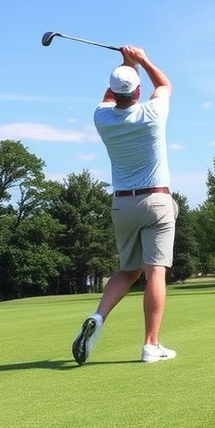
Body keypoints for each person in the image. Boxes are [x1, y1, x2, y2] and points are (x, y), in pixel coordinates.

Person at [71, 45, 178, 365]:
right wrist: (141, 59)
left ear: (115, 92)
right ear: (138, 90)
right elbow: (165, 85)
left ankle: (100, 316)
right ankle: (151, 345)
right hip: (156, 200)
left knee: (128, 270)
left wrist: (125, 63)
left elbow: (111, 94)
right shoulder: (152, 113)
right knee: (155, 271)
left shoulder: (102, 118)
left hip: (122, 205)